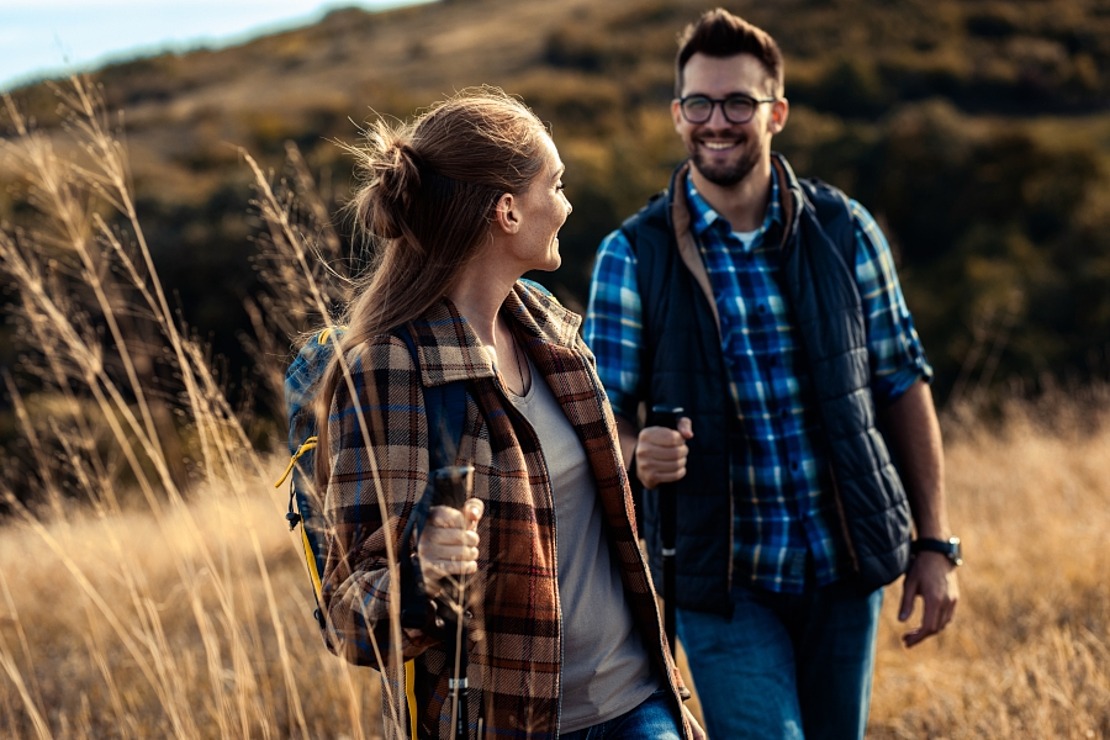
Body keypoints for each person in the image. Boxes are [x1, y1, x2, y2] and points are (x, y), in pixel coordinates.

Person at [584, 9, 960, 739]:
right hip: (723, 582)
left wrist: (935, 544)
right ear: (677, 113)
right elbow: (601, 413)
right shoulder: (631, 255)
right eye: (699, 102)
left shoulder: (845, 228)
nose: (715, 121)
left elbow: (901, 381)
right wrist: (637, 449)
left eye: (738, 103)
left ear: (776, 112)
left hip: (845, 567)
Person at [313, 87, 705, 740]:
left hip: (638, 702)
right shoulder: (390, 369)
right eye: (555, 183)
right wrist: (421, 574)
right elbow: (348, 615)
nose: (567, 203)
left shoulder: (550, 328)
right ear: (507, 212)